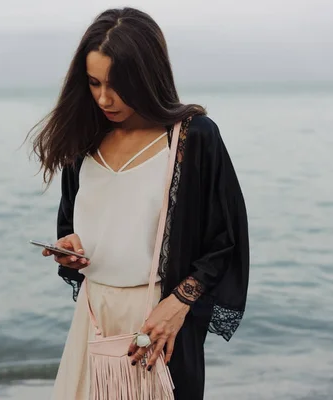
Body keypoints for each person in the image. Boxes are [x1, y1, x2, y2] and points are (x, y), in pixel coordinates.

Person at [29, 7, 250, 400]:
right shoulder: (82, 138)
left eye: (116, 85)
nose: (103, 98)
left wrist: (178, 305)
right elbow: (70, 224)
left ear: (147, 76)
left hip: (158, 324)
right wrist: (69, 249)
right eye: (93, 83)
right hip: (93, 321)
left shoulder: (192, 137)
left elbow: (226, 241)